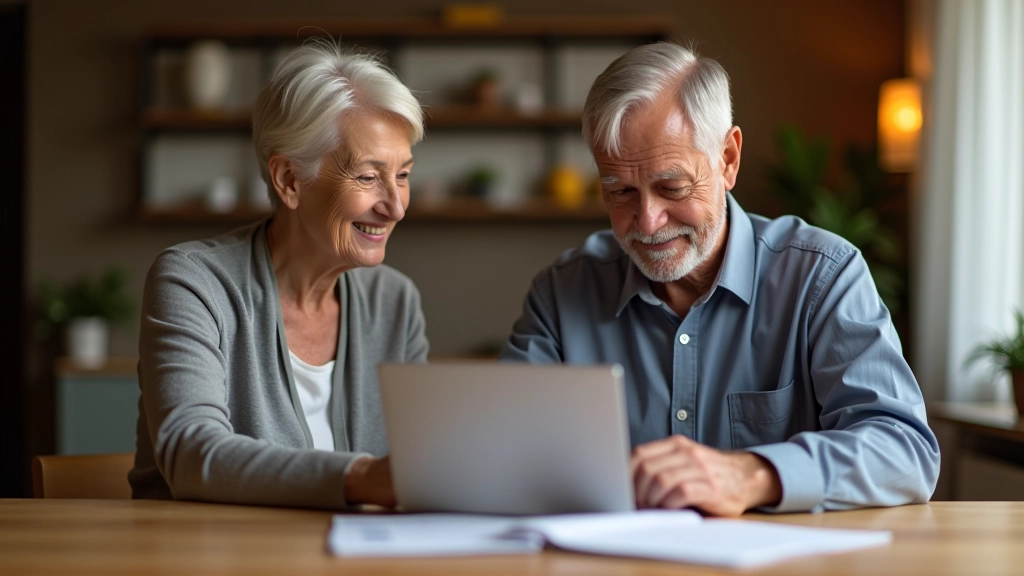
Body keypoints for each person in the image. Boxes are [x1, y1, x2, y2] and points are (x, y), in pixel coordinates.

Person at [501, 42, 939, 516]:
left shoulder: (823, 277)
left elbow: (905, 451)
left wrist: (752, 475)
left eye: (672, 187)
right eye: (621, 191)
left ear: (727, 159)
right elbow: (498, 449)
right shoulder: (561, 294)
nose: (647, 221)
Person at [130, 41, 427, 509]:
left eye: (403, 175)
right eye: (369, 177)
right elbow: (190, 453)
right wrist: (362, 477)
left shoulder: (395, 300)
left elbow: (421, 460)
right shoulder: (194, 283)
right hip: (206, 544)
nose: (395, 207)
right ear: (289, 179)